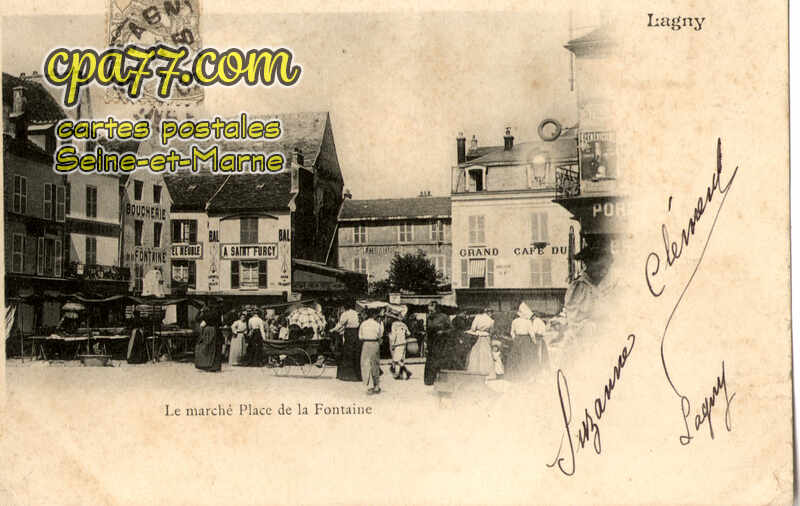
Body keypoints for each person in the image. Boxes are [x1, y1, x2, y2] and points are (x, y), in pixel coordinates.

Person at [331, 300, 362, 381]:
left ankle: (347, 376)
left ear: (345, 307)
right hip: (356, 333)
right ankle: (358, 375)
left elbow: (340, 324)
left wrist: (333, 330)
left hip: (349, 334)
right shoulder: (356, 313)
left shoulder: (345, 314)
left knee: (347, 353)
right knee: (356, 353)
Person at [423, 301, 453, 385]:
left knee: (440, 360)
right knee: (431, 361)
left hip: (442, 342)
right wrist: (426, 342)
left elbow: (451, 329)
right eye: (429, 311)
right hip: (432, 342)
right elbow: (427, 332)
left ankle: (441, 380)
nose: (430, 313)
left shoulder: (444, 317)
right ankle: (430, 380)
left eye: (432, 311)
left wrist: (443, 332)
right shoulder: (429, 318)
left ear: (437, 309)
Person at [507, 302, 538, 380]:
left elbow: (512, 332)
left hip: (517, 339)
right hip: (525, 339)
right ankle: (525, 375)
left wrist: (515, 338)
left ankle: (515, 375)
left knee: (516, 357)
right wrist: (534, 342)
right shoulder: (528, 322)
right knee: (525, 357)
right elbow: (532, 334)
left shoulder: (515, 321)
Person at [466, 307, 498, 379]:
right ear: (490, 313)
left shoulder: (478, 317)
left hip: (477, 337)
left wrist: (476, 331)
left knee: (475, 354)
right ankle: (488, 374)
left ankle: (475, 373)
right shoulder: (491, 321)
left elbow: (473, 328)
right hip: (486, 337)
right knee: (486, 354)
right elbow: (491, 331)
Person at [359, 307, 383, 394]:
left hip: (365, 344)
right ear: (374, 315)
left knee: (364, 364)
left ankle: (366, 385)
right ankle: (376, 386)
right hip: (375, 344)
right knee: (375, 364)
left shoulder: (363, 324)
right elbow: (380, 335)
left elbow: (360, 337)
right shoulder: (377, 324)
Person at [194, 308, 222, 372]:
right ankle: (214, 366)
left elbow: (198, 320)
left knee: (204, 347)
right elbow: (220, 323)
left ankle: (206, 365)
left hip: (207, 331)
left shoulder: (205, 316)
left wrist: (200, 311)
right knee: (213, 348)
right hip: (215, 331)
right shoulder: (217, 315)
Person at [387, 310, 412, 380]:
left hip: (397, 343)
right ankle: (399, 375)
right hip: (403, 343)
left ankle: (407, 371)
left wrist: (392, 343)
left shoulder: (394, 324)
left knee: (396, 360)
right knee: (401, 359)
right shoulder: (404, 324)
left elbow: (394, 335)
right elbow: (408, 333)